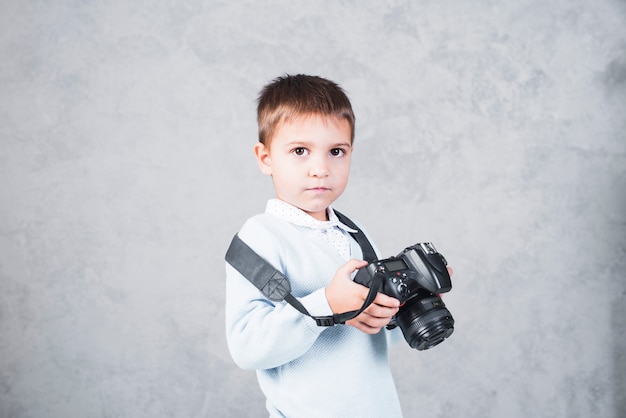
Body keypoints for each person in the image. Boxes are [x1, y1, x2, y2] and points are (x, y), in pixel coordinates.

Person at [225, 74, 405, 417]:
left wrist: (405, 304)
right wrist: (326, 304)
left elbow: (377, 338)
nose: (320, 169)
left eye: (336, 151)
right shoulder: (260, 236)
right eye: (300, 151)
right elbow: (247, 346)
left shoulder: (355, 233)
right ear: (265, 158)